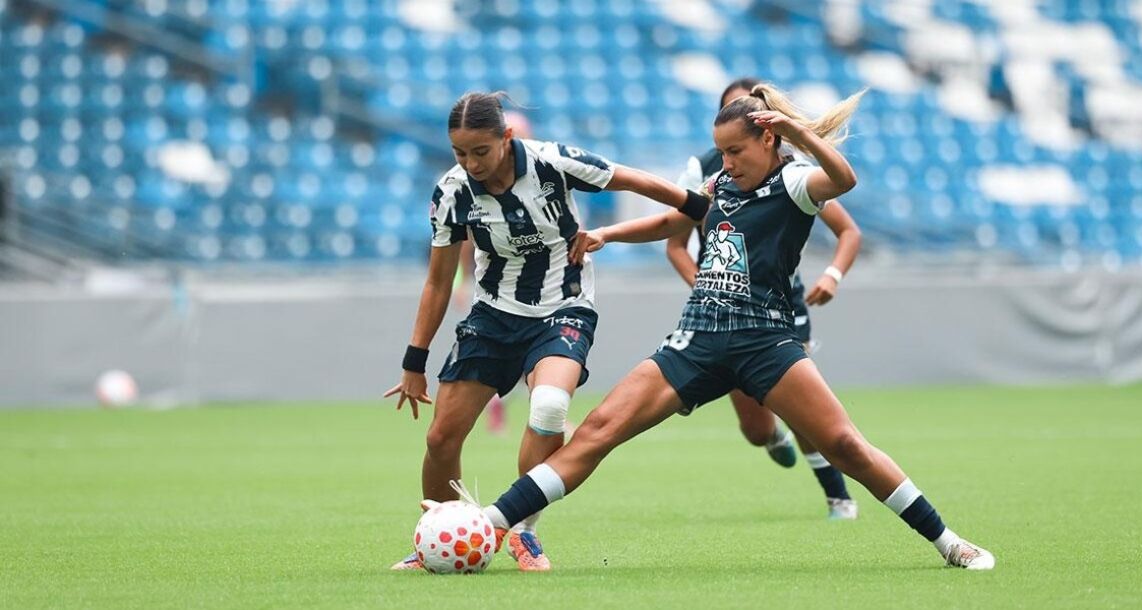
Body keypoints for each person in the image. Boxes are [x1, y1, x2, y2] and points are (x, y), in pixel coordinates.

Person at [462, 84, 995, 570]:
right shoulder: (721, 183)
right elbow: (674, 221)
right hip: (697, 338)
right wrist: (610, 233)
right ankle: (490, 523)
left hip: (766, 341)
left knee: (845, 445)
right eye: (722, 152)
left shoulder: (795, 183)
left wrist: (798, 133)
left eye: (736, 151)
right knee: (599, 429)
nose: (727, 162)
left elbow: (844, 179)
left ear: (768, 139)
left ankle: (948, 541)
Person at [386, 92, 710, 572]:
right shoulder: (452, 192)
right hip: (493, 315)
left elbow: (630, 178)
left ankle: (523, 530)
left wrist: (696, 205)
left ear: (506, 138)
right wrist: (414, 362)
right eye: (460, 153)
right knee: (441, 438)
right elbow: (438, 281)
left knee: (550, 406)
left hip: (564, 308)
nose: (471, 163)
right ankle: (440, 540)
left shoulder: (552, 162)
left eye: (480, 151)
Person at [670, 78, 863, 519]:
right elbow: (675, 244)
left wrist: (832, 275)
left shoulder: (791, 172)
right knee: (757, 429)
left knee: (804, 408)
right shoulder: (705, 171)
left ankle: (837, 495)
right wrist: (709, 291)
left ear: (765, 129)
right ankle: (772, 437)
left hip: (780, 304)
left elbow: (847, 226)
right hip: (722, 315)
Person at [452, 111, 537, 436]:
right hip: (501, 291)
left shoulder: (545, 174)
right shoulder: (474, 188)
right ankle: (513, 407)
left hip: (544, 286)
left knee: (540, 353)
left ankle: (536, 412)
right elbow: (465, 239)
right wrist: (463, 281)